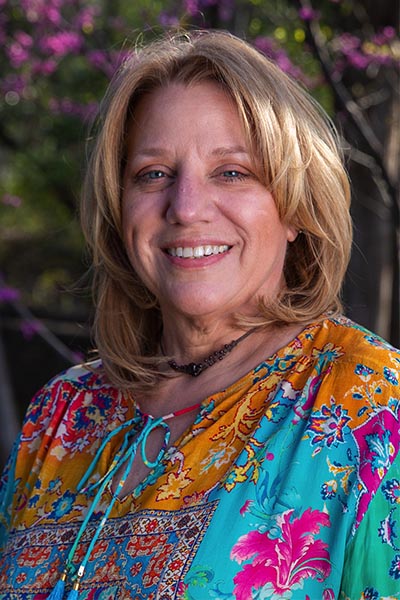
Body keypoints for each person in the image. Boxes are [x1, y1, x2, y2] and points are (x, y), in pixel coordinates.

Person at [0, 29, 399, 599]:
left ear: (295, 207)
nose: (185, 207)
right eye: (153, 173)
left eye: (232, 172)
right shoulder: (60, 417)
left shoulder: (375, 409)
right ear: (120, 209)